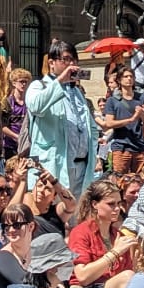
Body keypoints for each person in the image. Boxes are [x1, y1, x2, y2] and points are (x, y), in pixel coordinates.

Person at [26, 42, 96, 195]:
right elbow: (36, 106)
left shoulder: (77, 92)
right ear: (51, 62)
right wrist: (60, 81)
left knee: (76, 215)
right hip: (54, 166)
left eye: (74, 60)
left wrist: (93, 155)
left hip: (82, 167)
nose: (71, 64)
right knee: (54, 212)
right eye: (66, 59)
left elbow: (90, 126)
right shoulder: (39, 86)